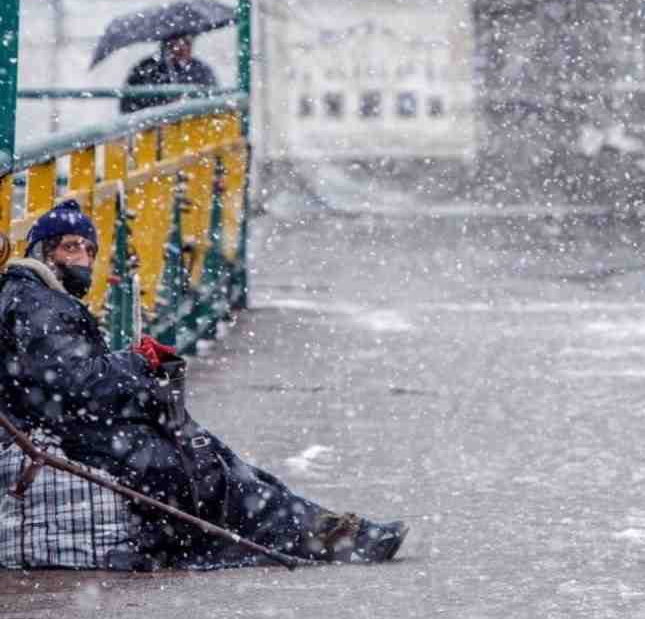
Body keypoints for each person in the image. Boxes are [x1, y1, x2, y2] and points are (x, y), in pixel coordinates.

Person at [0, 200, 407, 570]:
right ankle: (327, 537)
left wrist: (132, 368)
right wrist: (137, 361)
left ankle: (327, 530)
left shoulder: (35, 298)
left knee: (216, 460)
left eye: (89, 250)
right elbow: (76, 384)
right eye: (71, 248)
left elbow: (68, 379)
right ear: (42, 251)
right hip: (72, 437)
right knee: (205, 469)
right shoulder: (40, 304)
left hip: (77, 429)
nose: (84, 260)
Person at [121, 35, 217, 114]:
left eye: (187, 43)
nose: (182, 48)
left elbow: (212, 100)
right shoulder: (147, 68)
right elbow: (129, 105)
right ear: (166, 45)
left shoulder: (200, 70)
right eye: (174, 43)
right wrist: (164, 104)